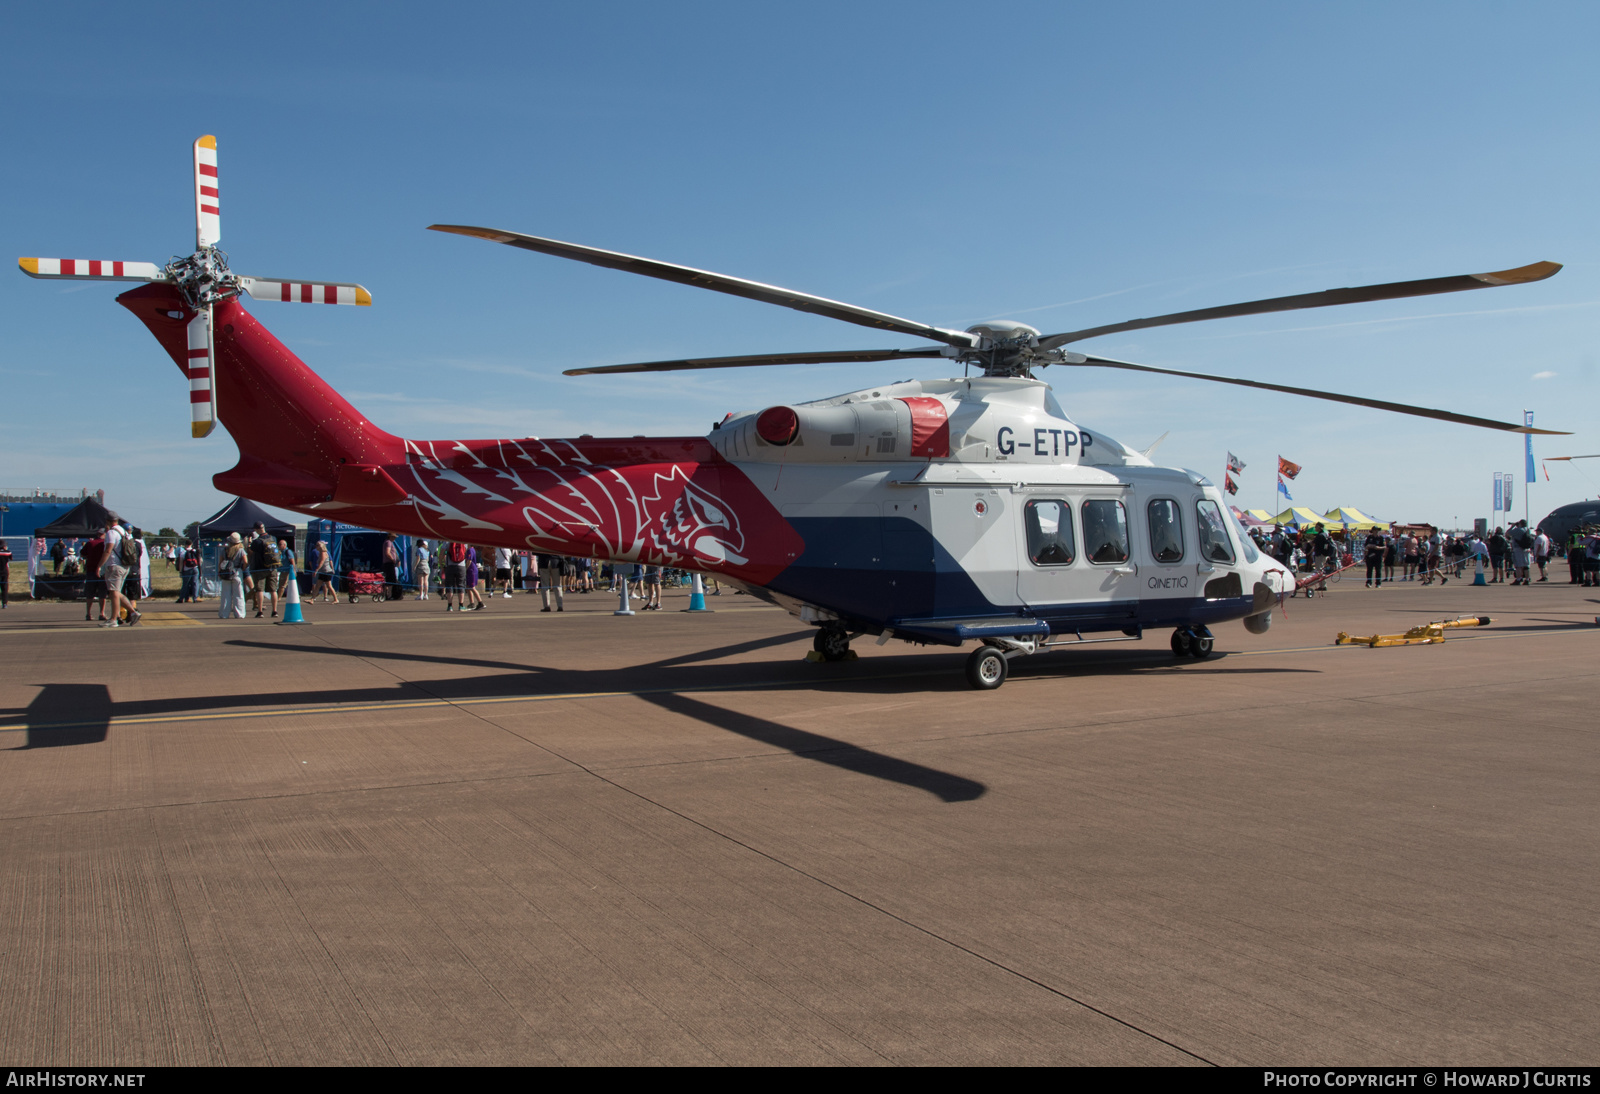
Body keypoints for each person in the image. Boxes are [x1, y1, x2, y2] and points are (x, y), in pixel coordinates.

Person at [100, 516, 139, 628]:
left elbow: (108, 550)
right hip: (124, 564)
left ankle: (113, 619)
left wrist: (99, 565)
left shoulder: (112, 533)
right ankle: (133, 612)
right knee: (116, 592)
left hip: (114, 565)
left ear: (109, 521)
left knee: (114, 592)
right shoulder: (124, 532)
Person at [247, 522, 279, 617]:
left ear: (256, 530)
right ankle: (274, 611)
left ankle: (260, 611)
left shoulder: (257, 541)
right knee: (273, 590)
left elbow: (250, 551)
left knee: (259, 590)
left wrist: (249, 542)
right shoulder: (273, 538)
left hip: (260, 568)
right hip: (272, 567)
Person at [81, 530, 108, 622]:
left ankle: (88, 613)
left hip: (91, 570)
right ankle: (102, 613)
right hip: (103, 571)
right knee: (102, 594)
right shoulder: (105, 544)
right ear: (103, 534)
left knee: (89, 594)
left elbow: (83, 554)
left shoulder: (90, 543)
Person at [218, 532, 247, 618]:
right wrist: (243, 568)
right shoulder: (241, 550)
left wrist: (219, 572)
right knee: (239, 594)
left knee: (225, 594)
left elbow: (220, 563)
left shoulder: (225, 550)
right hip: (237, 572)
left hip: (226, 573)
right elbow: (245, 561)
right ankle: (240, 614)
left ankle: (224, 614)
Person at [177, 538, 201, 603]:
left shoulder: (183, 552)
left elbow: (181, 563)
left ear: (185, 544)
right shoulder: (195, 551)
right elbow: (200, 560)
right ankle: (195, 597)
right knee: (195, 583)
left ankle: (183, 598)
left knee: (185, 584)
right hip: (195, 568)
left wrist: (181, 571)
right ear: (191, 544)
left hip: (187, 569)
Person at [381, 532, 403, 600]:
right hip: (389, 563)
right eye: (393, 537)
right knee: (391, 580)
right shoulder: (388, 542)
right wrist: (393, 559)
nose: (395, 538)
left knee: (390, 580)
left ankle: (387, 594)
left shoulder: (388, 542)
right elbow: (388, 552)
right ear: (390, 537)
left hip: (388, 563)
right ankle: (389, 595)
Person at [0, 538, 11, 609]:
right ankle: (4, 603)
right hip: (4, 571)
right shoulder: (8, 552)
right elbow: (10, 558)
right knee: (4, 587)